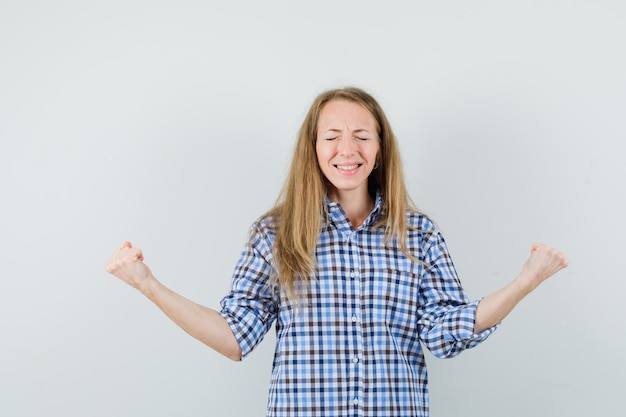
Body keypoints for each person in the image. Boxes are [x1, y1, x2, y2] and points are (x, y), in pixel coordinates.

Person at [105, 87, 569, 417]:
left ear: (380, 149)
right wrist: (149, 285)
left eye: (362, 135)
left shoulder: (418, 234)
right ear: (314, 148)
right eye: (332, 136)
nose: (347, 149)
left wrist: (525, 282)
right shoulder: (275, 234)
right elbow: (234, 337)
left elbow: (446, 333)